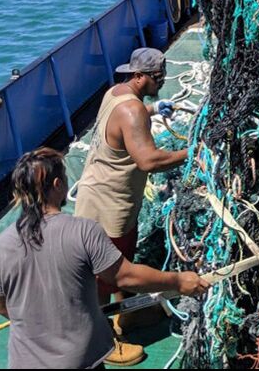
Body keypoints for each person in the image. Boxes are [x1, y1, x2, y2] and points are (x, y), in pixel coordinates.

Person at [0, 148, 210, 369]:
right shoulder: (82, 231)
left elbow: (2, 304)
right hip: (79, 361)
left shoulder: (2, 245)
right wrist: (178, 281)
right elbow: (126, 277)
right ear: (58, 185)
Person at [74, 47, 187, 307]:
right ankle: (106, 326)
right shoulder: (132, 111)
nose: (162, 81)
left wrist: (154, 108)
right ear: (138, 76)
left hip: (93, 193)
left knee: (118, 260)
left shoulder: (115, 93)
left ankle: (126, 311)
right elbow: (149, 161)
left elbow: (124, 118)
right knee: (109, 273)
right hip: (111, 206)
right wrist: (192, 152)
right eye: (157, 77)